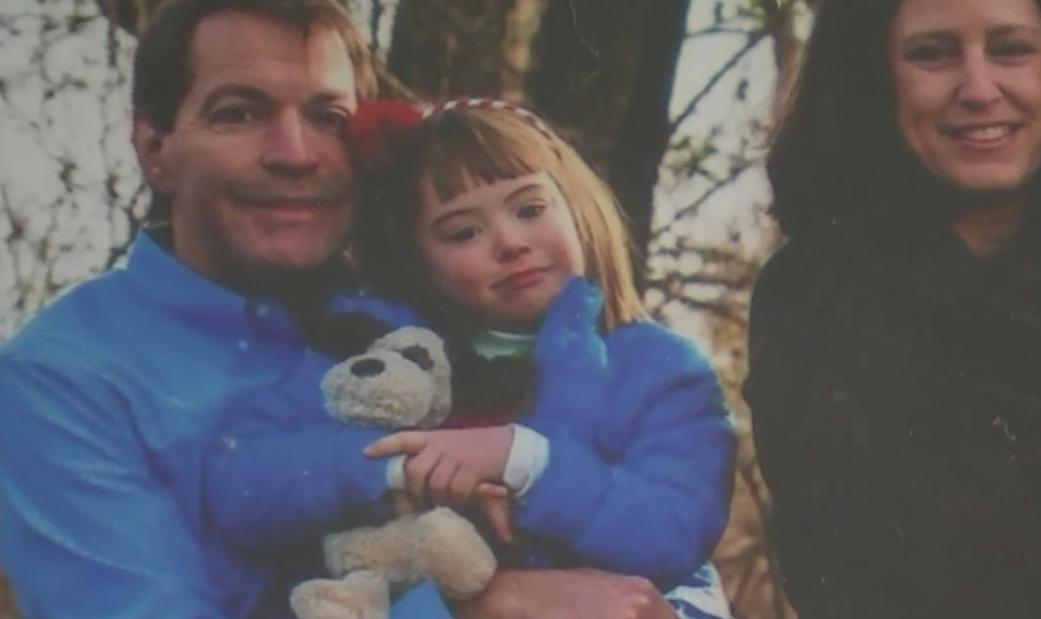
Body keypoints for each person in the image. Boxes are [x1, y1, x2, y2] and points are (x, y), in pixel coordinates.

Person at [0, 2, 733, 618]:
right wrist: (480, 601)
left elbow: (674, 568)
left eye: (327, 116)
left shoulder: (436, 314)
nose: (296, 152)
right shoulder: (61, 379)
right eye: (240, 113)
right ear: (155, 148)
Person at [204, 98, 738, 619]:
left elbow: (674, 531)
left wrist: (523, 459)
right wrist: (399, 465)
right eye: (464, 232)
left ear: (575, 207)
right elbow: (241, 478)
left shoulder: (659, 370)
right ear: (418, 261)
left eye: (530, 209)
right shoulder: (372, 352)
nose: (510, 242)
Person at [744, 0, 1041, 617]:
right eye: (932, 54)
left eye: (1011, 49)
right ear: (877, 81)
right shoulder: (809, 298)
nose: (980, 89)